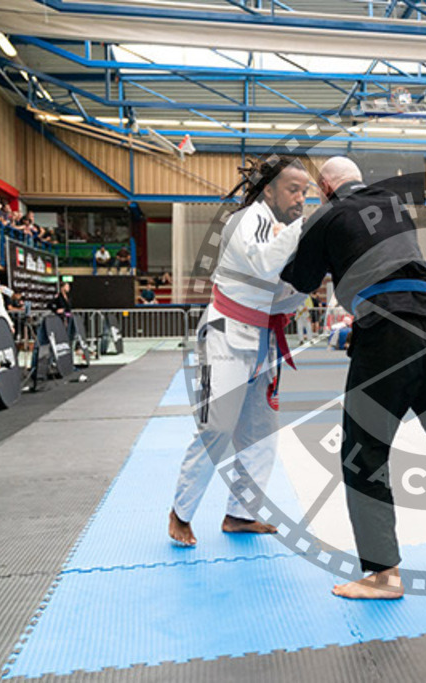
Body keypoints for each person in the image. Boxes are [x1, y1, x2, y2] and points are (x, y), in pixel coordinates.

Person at [281, 156, 426, 600]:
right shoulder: (396, 205)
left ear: (324, 187)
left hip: (387, 333)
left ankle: (383, 574)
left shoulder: (327, 215)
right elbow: (396, 267)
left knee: (365, 450)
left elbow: (297, 280)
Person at [168, 154, 309, 547]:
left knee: (261, 434)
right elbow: (264, 265)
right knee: (217, 427)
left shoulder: (281, 228)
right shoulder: (247, 219)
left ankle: (240, 515)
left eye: (304, 191)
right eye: (292, 189)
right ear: (269, 189)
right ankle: (181, 512)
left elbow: (282, 293)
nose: (300, 198)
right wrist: (303, 229)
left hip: (263, 340)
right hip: (225, 334)